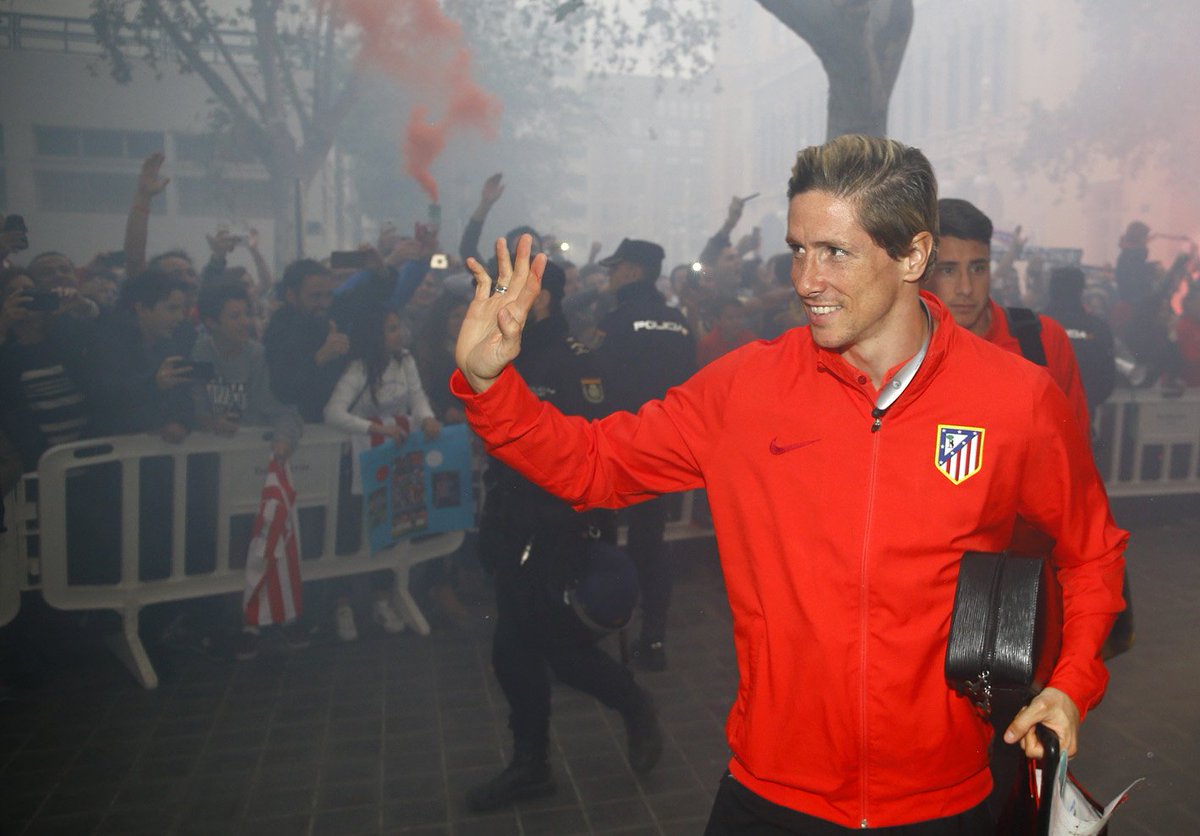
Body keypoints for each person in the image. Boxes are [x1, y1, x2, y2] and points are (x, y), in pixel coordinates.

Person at [451, 135, 1126, 833]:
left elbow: (1092, 552)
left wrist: (1072, 683)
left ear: (913, 256)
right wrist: (488, 384)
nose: (806, 279)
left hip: (945, 801)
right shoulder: (746, 388)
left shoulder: (1015, 398)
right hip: (774, 796)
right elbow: (591, 463)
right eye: (799, 248)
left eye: (835, 252)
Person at [465, 260, 662, 812]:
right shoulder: (505, 350)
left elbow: (597, 447)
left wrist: (590, 524)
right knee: (516, 650)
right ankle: (533, 765)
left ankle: (632, 706)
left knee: (551, 648)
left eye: (522, 291)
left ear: (546, 298)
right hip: (510, 519)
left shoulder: (577, 360)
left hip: (559, 525)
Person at [592, 237, 696, 671]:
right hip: (663, 449)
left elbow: (595, 386)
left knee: (601, 538)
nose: (611, 276)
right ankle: (653, 638)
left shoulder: (615, 321)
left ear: (633, 271)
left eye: (616, 268)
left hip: (618, 447)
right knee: (650, 543)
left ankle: (601, 626)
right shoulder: (678, 322)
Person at [323, 305, 441, 640]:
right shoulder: (359, 368)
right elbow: (333, 412)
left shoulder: (406, 361)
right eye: (391, 328)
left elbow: (416, 397)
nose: (399, 333)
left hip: (394, 458)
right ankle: (342, 604)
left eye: (399, 326)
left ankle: (382, 597)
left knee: (389, 527)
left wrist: (426, 417)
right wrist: (373, 428)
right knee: (349, 530)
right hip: (359, 460)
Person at [926, 198, 1090, 434]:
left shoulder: (1041, 338)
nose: (966, 288)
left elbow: (1075, 447)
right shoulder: (905, 352)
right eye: (948, 270)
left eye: (978, 268)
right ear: (922, 272)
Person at [1043, 266, 1116, 418]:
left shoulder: (1030, 324)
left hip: (1037, 417)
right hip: (1079, 417)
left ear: (1051, 289)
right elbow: (1107, 380)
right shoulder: (1098, 328)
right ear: (1081, 290)